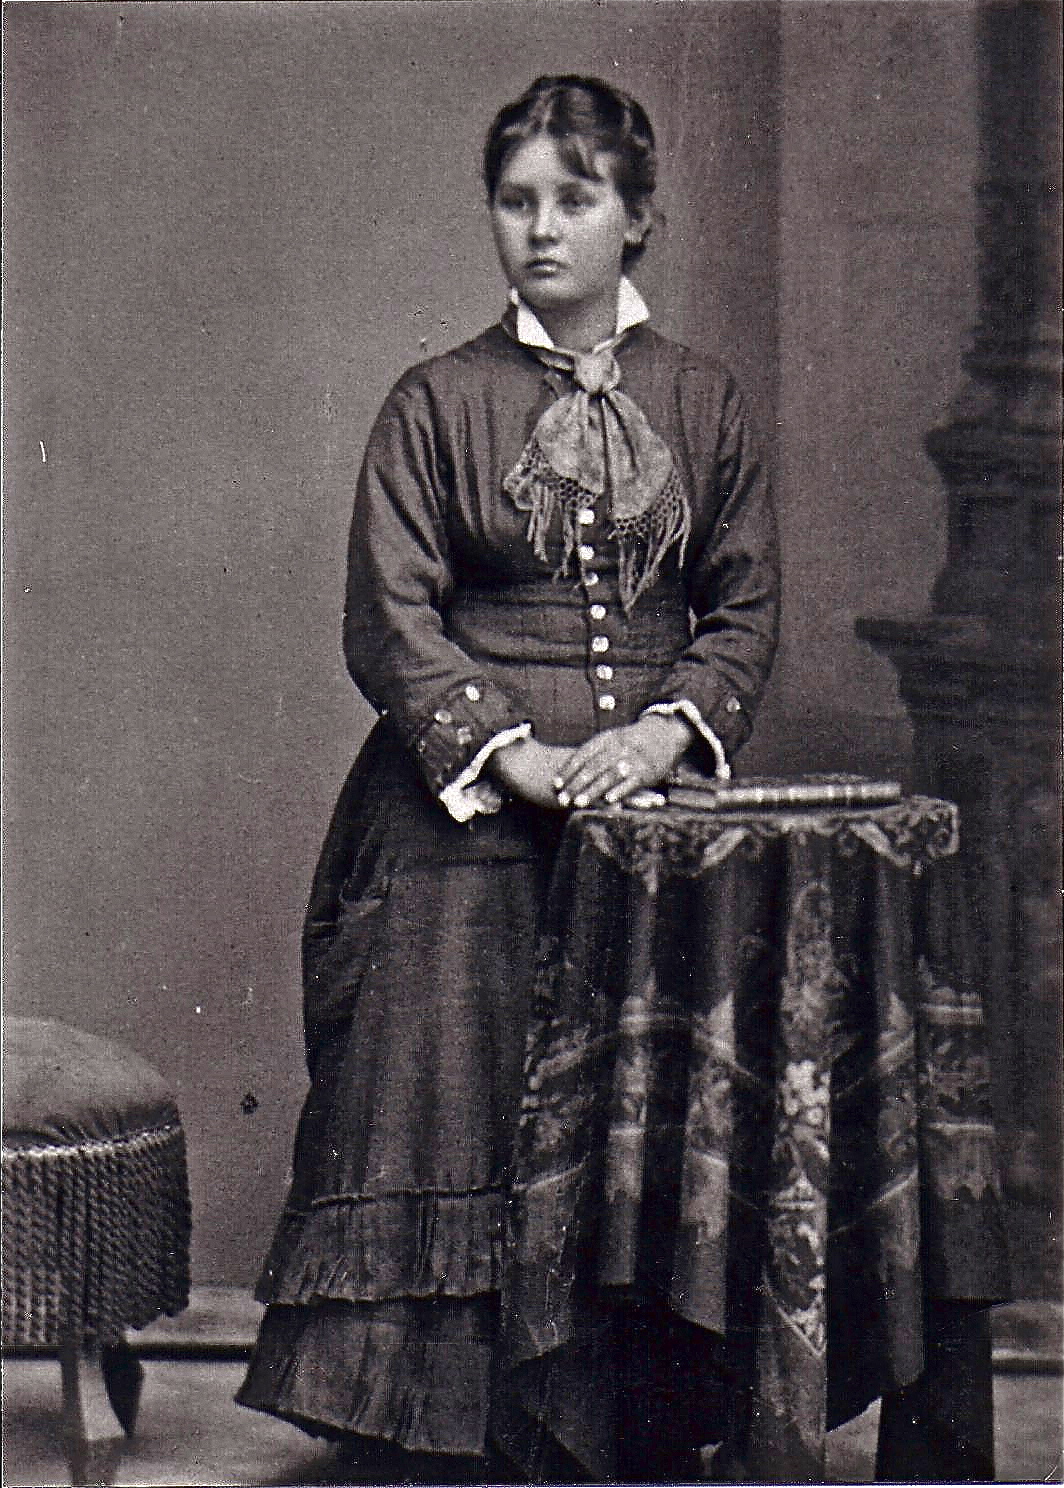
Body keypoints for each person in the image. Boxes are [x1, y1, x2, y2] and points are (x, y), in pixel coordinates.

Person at [237, 74, 779, 1485]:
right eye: (515, 200)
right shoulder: (435, 402)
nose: (541, 229)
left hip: (655, 817)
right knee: (447, 1081)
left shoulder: (707, 401)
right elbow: (390, 616)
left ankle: (632, 1422)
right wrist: (517, 755)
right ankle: (440, 1436)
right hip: (464, 809)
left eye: (574, 200)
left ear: (637, 216)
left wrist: (656, 741)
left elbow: (743, 613)